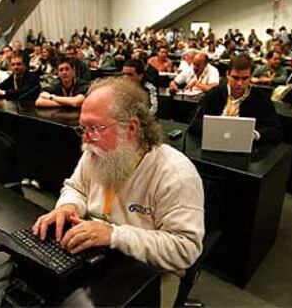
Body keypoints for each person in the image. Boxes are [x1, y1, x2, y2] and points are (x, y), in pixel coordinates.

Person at [32, 77, 204, 307]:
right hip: (96, 254)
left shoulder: (175, 174)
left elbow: (185, 249)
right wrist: (68, 206)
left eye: (94, 128)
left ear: (131, 127)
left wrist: (114, 235)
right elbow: (75, 188)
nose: (85, 139)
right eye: (82, 128)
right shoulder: (95, 150)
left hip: (150, 273)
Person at [189, 54, 283, 145]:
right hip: (213, 143)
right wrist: (212, 130)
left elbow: (276, 130)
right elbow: (194, 122)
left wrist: (255, 135)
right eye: (235, 77)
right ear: (227, 74)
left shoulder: (261, 98)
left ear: (251, 77)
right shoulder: (214, 94)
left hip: (247, 147)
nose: (239, 83)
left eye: (245, 78)